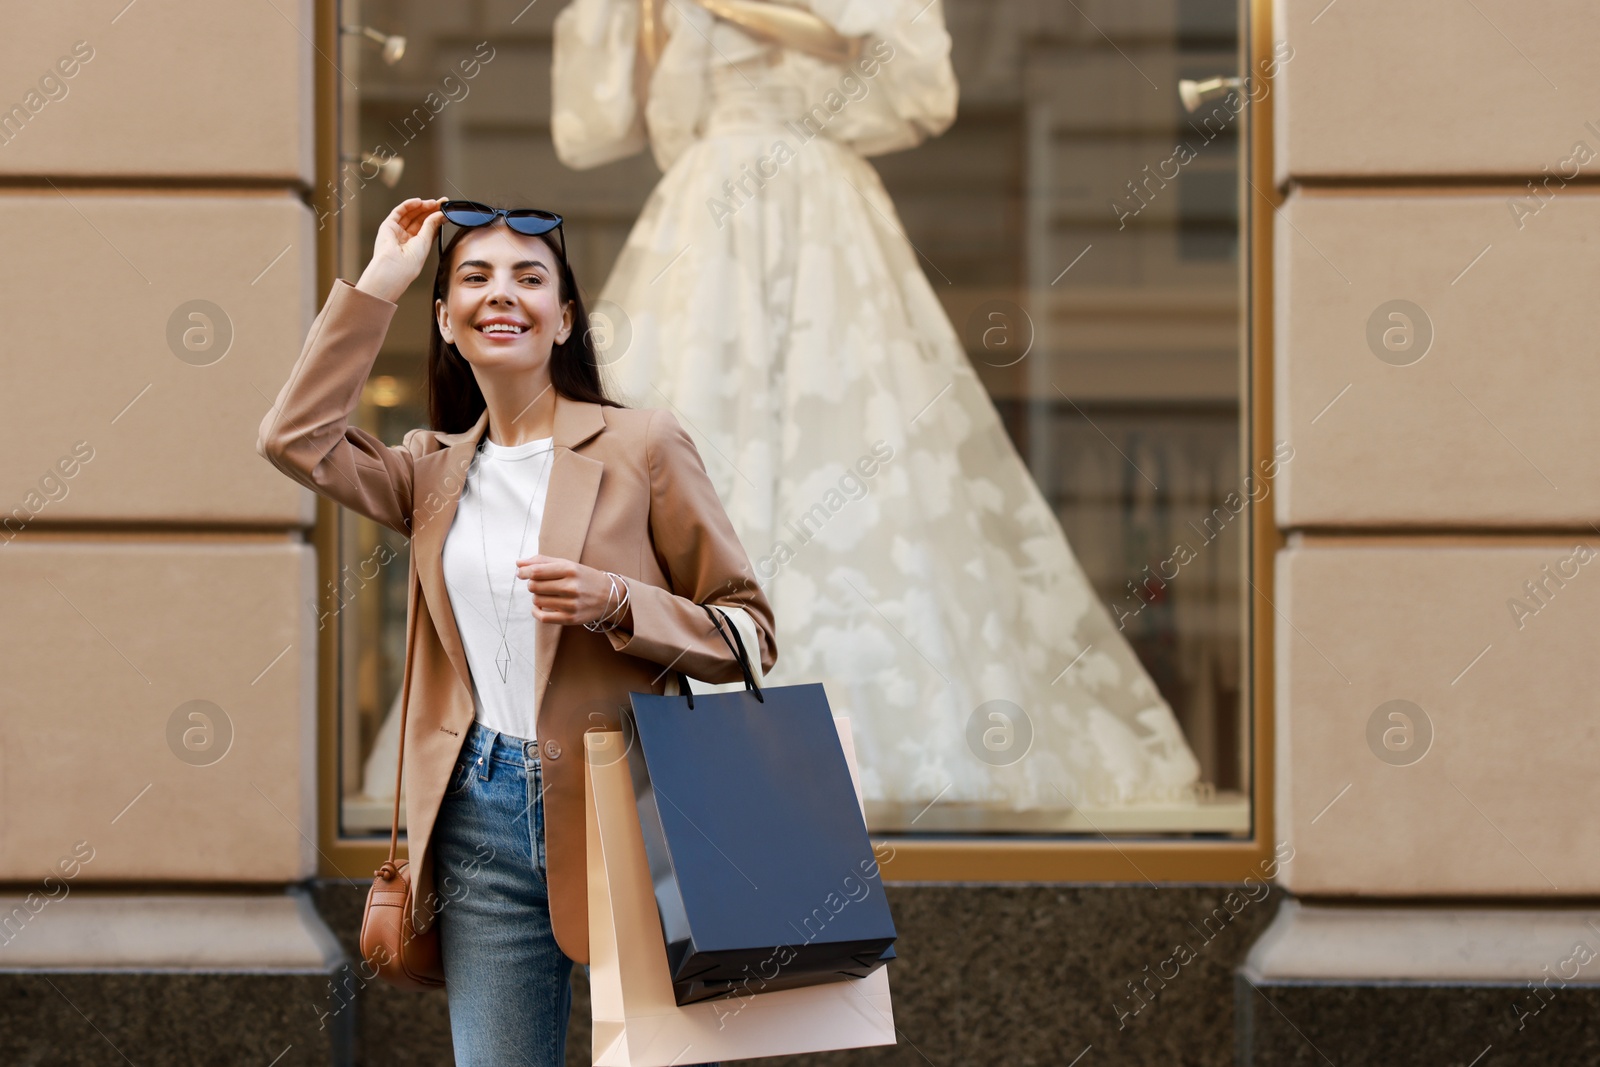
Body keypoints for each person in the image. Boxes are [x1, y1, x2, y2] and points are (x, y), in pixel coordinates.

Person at [551, 0, 1201, 817]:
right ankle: (662, 746)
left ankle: (866, 746)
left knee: (866, 456)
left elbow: (905, 77)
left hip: (822, 212)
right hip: (706, 218)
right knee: (685, 451)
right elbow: (602, 122)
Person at [257, 196, 768, 1065]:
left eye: (530, 278)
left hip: (635, 803)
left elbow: (746, 634)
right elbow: (294, 437)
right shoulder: (430, 470)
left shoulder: (642, 446)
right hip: (478, 814)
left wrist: (617, 601)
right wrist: (382, 279)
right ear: (447, 321)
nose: (503, 294)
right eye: (476, 278)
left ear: (563, 318)